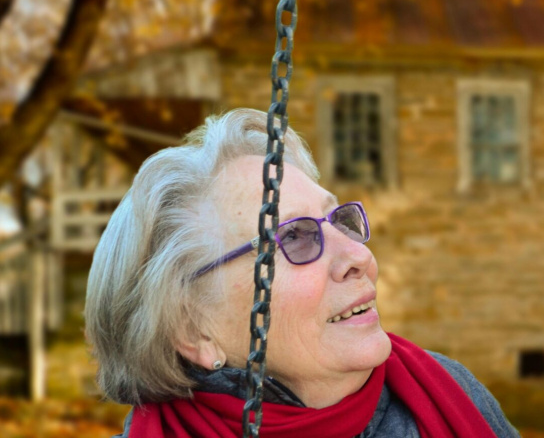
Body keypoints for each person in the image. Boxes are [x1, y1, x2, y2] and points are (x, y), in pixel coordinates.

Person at [85, 109, 518, 438]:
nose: (359, 258)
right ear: (193, 329)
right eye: (294, 237)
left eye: (338, 220)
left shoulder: (448, 393)